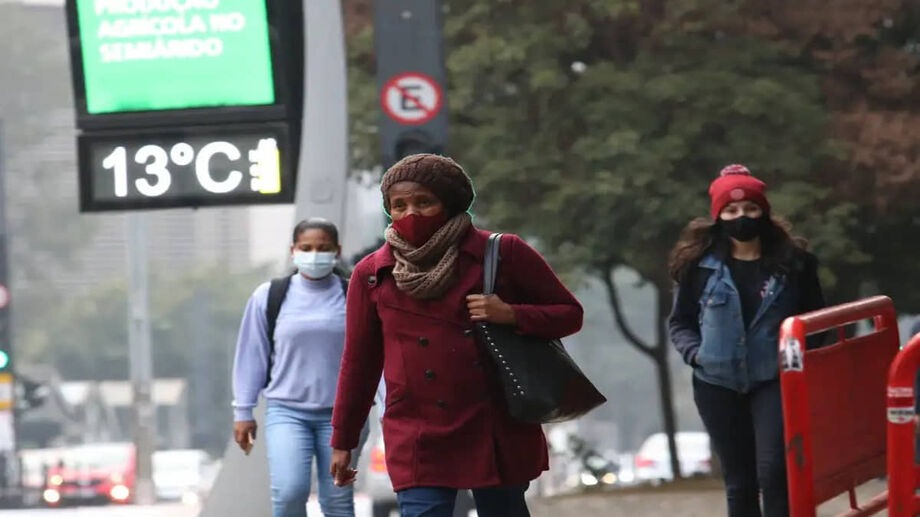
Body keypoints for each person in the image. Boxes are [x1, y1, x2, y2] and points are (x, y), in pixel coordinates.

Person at [328, 153, 583, 517]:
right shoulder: (372, 273)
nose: (410, 214)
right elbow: (358, 363)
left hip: (494, 422)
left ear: (450, 203)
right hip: (416, 430)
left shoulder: (502, 253)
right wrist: (344, 441)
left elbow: (569, 314)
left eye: (424, 202)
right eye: (399, 206)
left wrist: (511, 314)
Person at [667, 164, 826, 517]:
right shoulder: (697, 267)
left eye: (751, 208)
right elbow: (680, 322)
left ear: (764, 212)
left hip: (773, 379)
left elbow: (815, 320)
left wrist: (799, 360)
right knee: (739, 482)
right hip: (716, 383)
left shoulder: (795, 264)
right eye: (732, 210)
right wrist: (696, 354)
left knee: (774, 472)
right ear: (718, 216)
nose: (742, 217)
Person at [231, 218, 366, 517]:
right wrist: (243, 411)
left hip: (343, 416)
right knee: (289, 491)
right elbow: (251, 356)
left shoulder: (356, 296)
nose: (314, 255)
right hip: (287, 412)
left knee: (338, 499)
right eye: (306, 248)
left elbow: (373, 356)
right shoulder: (269, 297)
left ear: (337, 251)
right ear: (293, 250)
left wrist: (386, 406)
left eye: (323, 248)